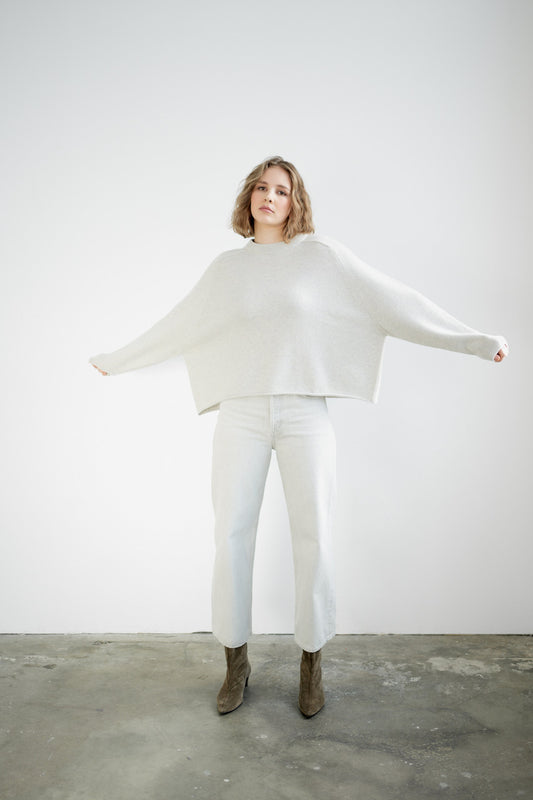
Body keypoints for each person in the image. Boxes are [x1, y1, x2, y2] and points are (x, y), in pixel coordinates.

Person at [90, 156, 508, 718]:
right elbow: (179, 324)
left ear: (296, 201)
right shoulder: (226, 269)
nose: (270, 197)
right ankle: (235, 663)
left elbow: (395, 301)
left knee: (314, 535)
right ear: (249, 197)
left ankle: (312, 663)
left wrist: (475, 340)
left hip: (305, 411)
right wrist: (118, 360)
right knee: (231, 536)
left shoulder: (322, 257)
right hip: (241, 412)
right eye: (262, 188)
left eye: (282, 190)